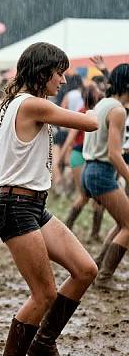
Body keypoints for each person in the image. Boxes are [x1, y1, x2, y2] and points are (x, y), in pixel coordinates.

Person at [0, 42, 98, 356]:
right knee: (44, 293)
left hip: (33, 205)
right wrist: (100, 104)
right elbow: (88, 125)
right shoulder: (31, 104)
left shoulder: (12, 105)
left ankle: (44, 343)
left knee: (85, 270)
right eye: (59, 73)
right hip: (16, 207)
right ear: (43, 72)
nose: (63, 80)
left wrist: (15, 158)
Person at [81, 64, 129, 290]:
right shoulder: (118, 110)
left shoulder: (103, 104)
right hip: (102, 171)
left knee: (123, 223)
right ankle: (104, 277)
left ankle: (100, 268)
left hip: (91, 169)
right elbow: (114, 153)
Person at [60, 83, 104, 241]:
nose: (101, 94)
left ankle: (95, 233)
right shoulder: (83, 113)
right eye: (98, 92)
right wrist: (60, 158)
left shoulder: (101, 113)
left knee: (98, 198)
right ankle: (67, 228)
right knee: (85, 196)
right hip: (79, 156)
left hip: (93, 158)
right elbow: (71, 137)